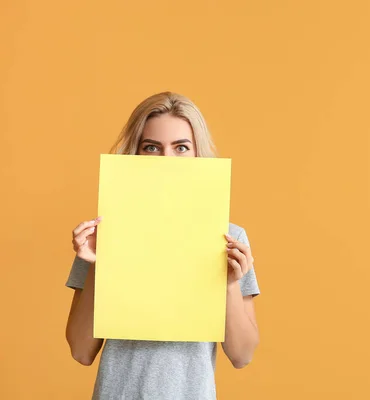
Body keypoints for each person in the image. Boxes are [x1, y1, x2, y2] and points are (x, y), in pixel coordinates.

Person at [65, 92, 260, 400]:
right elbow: (80, 350)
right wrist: (98, 265)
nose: (167, 160)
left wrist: (229, 285)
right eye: (152, 147)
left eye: (181, 147)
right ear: (136, 154)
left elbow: (242, 355)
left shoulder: (230, 238)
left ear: (198, 154)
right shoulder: (100, 237)